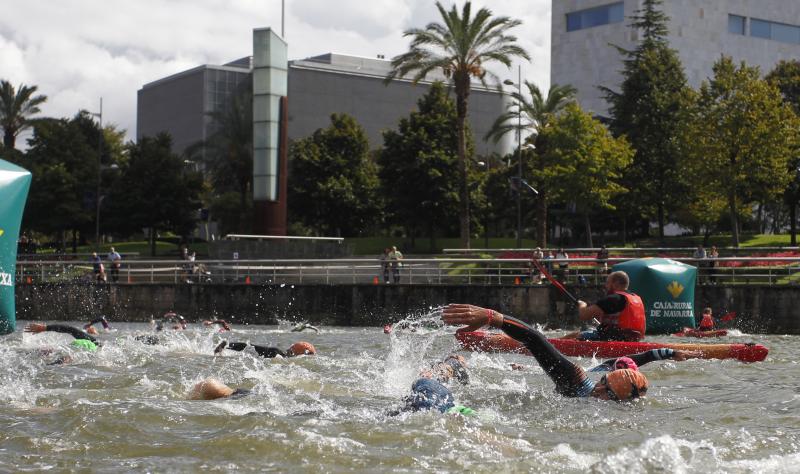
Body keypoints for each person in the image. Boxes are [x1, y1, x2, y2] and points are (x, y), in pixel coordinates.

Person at [442, 304, 648, 401]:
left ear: (621, 403)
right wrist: (493, 317)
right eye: (603, 381)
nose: (598, 390)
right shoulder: (578, 383)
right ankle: (456, 366)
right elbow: (534, 339)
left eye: (608, 393)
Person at [562, 270, 646, 342]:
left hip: (612, 339)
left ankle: (553, 345)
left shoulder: (613, 299)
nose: (606, 286)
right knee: (585, 331)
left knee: (575, 335)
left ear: (615, 284)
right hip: (633, 340)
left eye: (608, 283)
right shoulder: (635, 298)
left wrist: (582, 305)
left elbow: (584, 315)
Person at [389, 354, 474, 415]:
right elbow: (466, 385)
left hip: (421, 383)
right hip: (429, 385)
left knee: (409, 407)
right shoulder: (457, 365)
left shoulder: (437, 365)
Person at [24, 322, 102, 363]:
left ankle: (28, 354)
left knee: (55, 351)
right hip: (81, 350)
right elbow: (71, 330)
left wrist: (45, 328)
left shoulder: (93, 341)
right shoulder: (98, 347)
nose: (90, 330)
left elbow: (70, 329)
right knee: (65, 357)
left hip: (76, 346)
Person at [214, 340, 316, 358]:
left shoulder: (305, 347)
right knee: (250, 347)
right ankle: (227, 345)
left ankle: (227, 345)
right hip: (278, 353)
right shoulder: (306, 350)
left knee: (250, 347)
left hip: (280, 352)